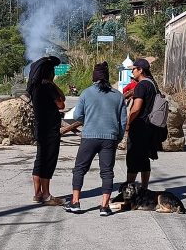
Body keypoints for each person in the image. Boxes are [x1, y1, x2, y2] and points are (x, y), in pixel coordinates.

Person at [65, 62, 125, 217]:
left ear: (94, 77)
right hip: (110, 138)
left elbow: (77, 115)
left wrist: (89, 120)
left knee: (79, 169)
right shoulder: (118, 96)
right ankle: (104, 207)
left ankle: (75, 202)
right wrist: (117, 137)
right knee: (107, 172)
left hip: (89, 137)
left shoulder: (86, 93)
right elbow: (123, 121)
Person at [27, 55, 65, 205]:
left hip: (39, 127)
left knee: (40, 160)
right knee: (49, 161)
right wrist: (52, 83)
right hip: (50, 129)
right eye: (53, 71)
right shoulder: (47, 86)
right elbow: (61, 104)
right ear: (49, 72)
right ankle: (47, 195)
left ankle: (37, 193)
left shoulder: (34, 87)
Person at [124, 58, 163, 194]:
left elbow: (136, 108)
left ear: (140, 70)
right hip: (150, 127)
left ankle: (129, 190)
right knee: (145, 159)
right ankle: (144, 188)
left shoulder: (141, 86)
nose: (132, 72)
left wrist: (128, 123)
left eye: (133, 69)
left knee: (133, 158)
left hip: (139, 126)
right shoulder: (152, 84)